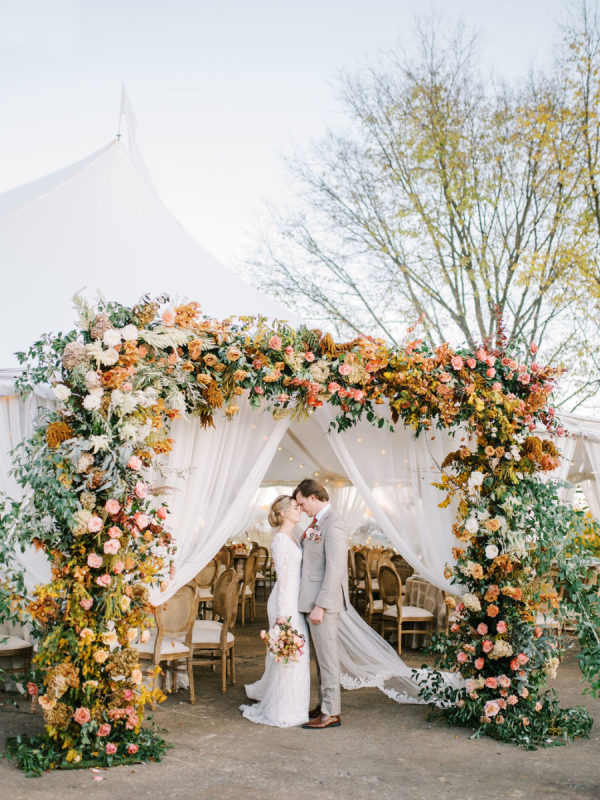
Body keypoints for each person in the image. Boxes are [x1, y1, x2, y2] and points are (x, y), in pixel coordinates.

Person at [240, 495, 310, 727]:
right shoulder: (280, 540)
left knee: (297, 654)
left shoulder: (294, 535)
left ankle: (295, 703)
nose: (299, 509)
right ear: (282, 514)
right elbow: (282, 579)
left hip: (294, 600)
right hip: (284, 602)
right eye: (294, 507)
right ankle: (283, 708)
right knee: (289, 654)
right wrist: (281, 614)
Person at [294, 478, 349, 730]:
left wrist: (321, 605)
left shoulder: (334, 524)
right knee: (320, 659)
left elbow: (336, 570)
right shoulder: (318, 523)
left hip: (322, 604)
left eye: (302, 502)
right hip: (312, 601)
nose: (301, 507)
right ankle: (323, 704)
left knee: (328, 659)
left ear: (313, 497)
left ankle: (331, 712)